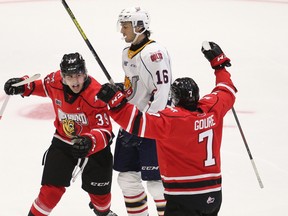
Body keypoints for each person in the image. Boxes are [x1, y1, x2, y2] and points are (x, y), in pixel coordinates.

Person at [96, 41, 237, 216]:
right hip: (214, 195)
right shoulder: (213, 108)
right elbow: (226, 89)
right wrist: (219, 64)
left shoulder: (172, 120)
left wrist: (116, 103)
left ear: (175, 98)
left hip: (183, 196)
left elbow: (136, 123)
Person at [4, 53, 117, 216]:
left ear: (85, 73)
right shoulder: (54, 81)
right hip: (64, 142)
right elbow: (42, 86)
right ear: (63, 77)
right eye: (70, 77)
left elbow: (106, 131)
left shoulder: (96, 94)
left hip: (93, 147)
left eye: (79, 75)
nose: (76, 81)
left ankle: (104, 212)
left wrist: (89, 141)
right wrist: (23, 86)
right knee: (50, 192)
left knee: (101, 199)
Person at [113, 6, 172, 216]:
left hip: (149, 125)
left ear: (140, 27)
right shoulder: (127, 53)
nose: (122, 31)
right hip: (131, 123)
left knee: (157, 183)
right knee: (127, 179)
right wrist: (121, 92)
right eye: (122, 25)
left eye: (126, 26)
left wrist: (144, 126)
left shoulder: (153, 54)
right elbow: (134, 88)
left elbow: (162, 94)